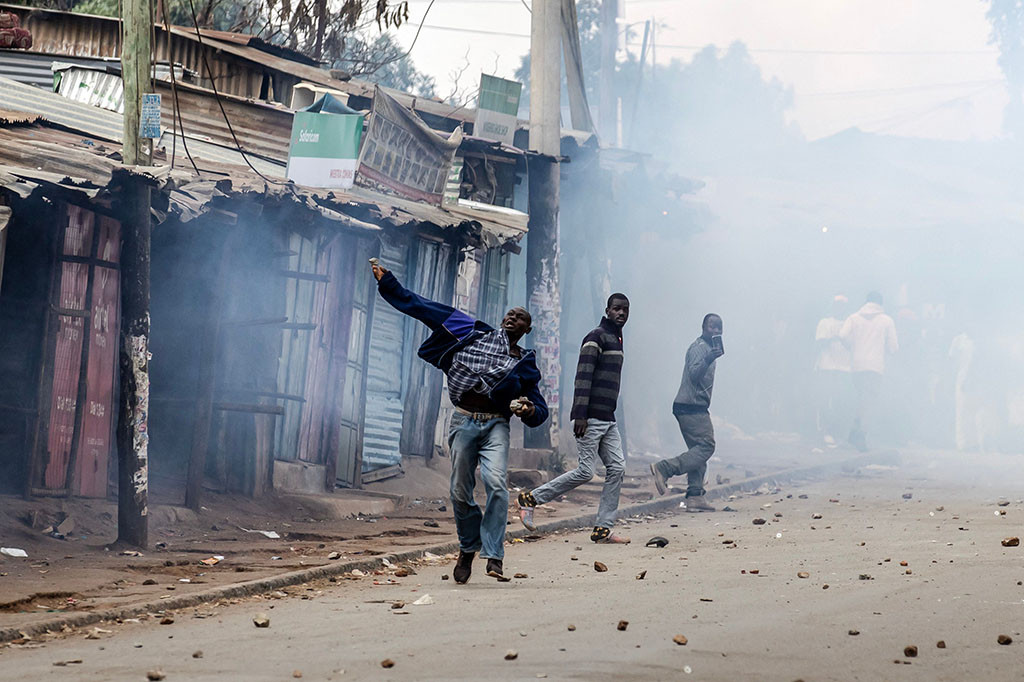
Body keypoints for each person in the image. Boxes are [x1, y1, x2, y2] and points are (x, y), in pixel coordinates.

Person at [370, 260, 548, 583]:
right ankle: (468, 547)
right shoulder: (471, 331)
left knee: (496, 484)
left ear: (527, 330)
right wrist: (389, 285)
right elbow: (424, 308)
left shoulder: (524, 364)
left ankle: (494, 555)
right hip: (464, 421)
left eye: (520, 318)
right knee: (458, 492)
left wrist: (528, 410)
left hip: (496, 425)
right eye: (510, 314)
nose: (512, 318)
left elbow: (540, 409)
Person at [517, 294, 632, 544]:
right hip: (590, 417)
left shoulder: (618, 338)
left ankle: (603, 528)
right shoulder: (596, 337)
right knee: (585, 471)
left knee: (617, 468)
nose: (621, 313)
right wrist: (580, 414)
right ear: (608, 311)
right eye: (616, 309)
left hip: (608, 419)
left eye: (625, 310)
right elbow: (583, 377)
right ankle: (530, 499)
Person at [649, 314, 724, 510]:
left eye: (719, 328)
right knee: (707, 446)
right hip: (691, 406)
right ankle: (665, 468)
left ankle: (695, 495)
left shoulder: (708, 349)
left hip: (693, 405)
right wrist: (709, 358)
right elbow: (693, 374)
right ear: (703, 327)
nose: (715, 331)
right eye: (712, 327)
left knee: (697, 452)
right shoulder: (699, 348)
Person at [840, 292, 898, 451]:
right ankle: (860, 435)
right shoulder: (887, 321)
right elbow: (894, 348)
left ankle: (854, 432)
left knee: (862, 399)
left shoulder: (853, 318)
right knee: (869, 402)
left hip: (856, 366)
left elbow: (842, 335)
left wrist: (851, 347)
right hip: (875, 367)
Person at [814, 295, 852, 447]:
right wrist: (834, 338)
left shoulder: (850, 324)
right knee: (826, 399)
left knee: (840, 401)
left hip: (845, 368)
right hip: (827, 366)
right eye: (837, 305)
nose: (840, 308)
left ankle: (837, 432)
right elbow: (819, 342)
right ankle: (825, 431)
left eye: (843, 305)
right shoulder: (825, 322)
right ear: (833, 306)